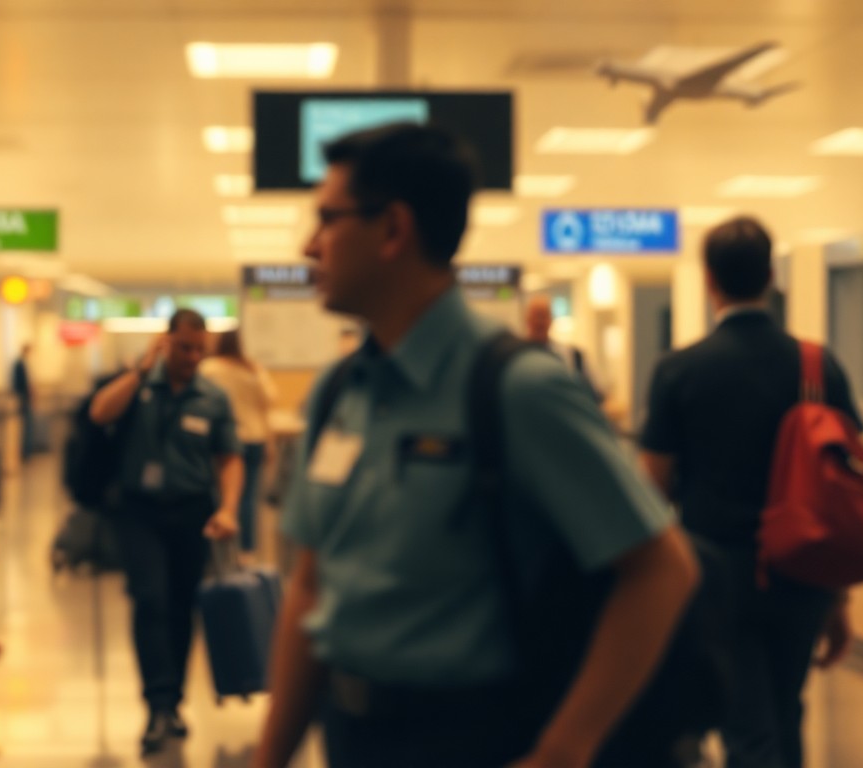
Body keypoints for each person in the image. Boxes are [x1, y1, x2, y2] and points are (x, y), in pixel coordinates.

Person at [253, 123, 700, 768]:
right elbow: (310, 585)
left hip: (471, 735)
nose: (308, 246)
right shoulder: (338, 393)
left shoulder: (517, 390)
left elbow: (661, 569)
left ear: (393, 230)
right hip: (351, 736)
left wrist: (562, 749)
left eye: (328, 219)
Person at [638, 216, 863, 768]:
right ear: (770, 276)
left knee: (747, 724)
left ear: (709, 280)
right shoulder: (817, 366)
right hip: (804, 569)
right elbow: (843, 483)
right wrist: (838, 597)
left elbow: (651, 491)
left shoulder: (680, 370)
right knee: (785, 711)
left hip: (718, 573)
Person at [88, 309, 243, 756]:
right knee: (150, 599)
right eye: (184, 347)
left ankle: (172, 702)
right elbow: (100, 412)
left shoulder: (213, 398)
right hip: (139, 512)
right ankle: (157, 704)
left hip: (192, 511)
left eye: (200, 349)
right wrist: (141, 368)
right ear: (166, 341)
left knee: (180, 606)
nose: (192, 357)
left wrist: (229, 508)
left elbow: (229, 457)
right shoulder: (139, 388)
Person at [200, 330, 278, 557]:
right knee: (247, 498)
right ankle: (246, 552)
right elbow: (269, 400)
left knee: (219, 494)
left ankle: (215, 549)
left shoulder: (209, 368)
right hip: (254, 437)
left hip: (222, 439)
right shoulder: (252, 369)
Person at [523, 294, 605, 402]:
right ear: (527, 320)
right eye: (536, 316)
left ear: (551, 320)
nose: (540, 322)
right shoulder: (517, 356)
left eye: (544, 316)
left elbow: (595, 393)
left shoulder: (574, 356)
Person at [11, 343, 33, 459]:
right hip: (22, 398)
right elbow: (20, 384)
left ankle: (26, 450)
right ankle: (24, 451)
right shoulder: (20, 364)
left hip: (23, 397)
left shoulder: (22, 363)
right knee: (24, 426)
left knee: (27, 425)